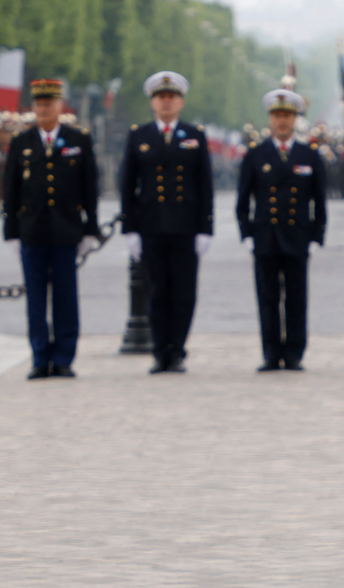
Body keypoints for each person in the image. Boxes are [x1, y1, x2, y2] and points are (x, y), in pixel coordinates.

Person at [2, 78, 101, 380]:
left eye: (49, 104)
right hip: (32, 231)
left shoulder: (78, 139)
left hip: (66, 230)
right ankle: (39, 356)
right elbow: (11, 189)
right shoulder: (22, 142)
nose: (43, 109)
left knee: (65, 297)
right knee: (35, 298)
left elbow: (89, 188)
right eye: (39, 105)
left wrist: (90, 230)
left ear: (60, 106)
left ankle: (64, 357)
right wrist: (11, 232)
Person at [120, 71, 214, 374]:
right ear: (153, 102)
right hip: (151, 226)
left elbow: (204, 186)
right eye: (161, 97)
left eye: (171, 97)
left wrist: (205, 229)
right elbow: (127, 185)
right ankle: (160, 351)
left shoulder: (194, 135)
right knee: (157, 292)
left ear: (181, 102)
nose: (167, 102)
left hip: (186, 227)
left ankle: (178, 350)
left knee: (184, 293)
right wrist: (130, 229)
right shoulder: (140, 135)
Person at [236, 88, 327, 371]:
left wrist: (316, 236)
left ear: (295, 118)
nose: (282, 121)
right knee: (268, 298)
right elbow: (243, 199)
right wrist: (247, 234)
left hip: (297, 236)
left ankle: (295, 352)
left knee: (297, 299)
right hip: (265, 236)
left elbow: (319, 201)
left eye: (287, 115)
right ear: (270, 118)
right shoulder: (255, 154)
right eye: (277, 115)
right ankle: (271, 352)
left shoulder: (309, 155)